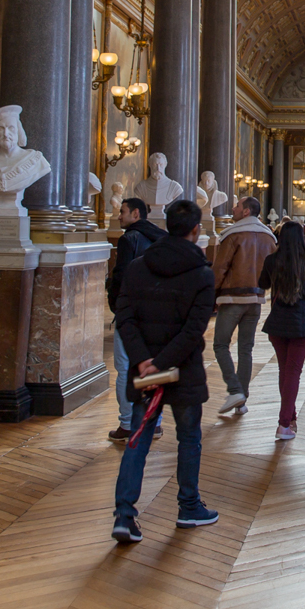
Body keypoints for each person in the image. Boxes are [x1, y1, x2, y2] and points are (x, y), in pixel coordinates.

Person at [111, 199, 219, 542]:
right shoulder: (202, 274)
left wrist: (144, 360)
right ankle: (189, 507)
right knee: (188, 438)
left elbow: (124, 317)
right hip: (182, 369)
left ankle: (124, 515)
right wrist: (162, 363)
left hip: (145, 372)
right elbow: (193, 331)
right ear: (196, 230)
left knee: (138, 439)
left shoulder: (137, 267)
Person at [208, 195, 276, 416]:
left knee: (220, 345)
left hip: (232, 298)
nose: (233, 208)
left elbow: (220, 269)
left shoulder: (233, 234)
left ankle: (235, 389)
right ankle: (241, 399)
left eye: (237, 206)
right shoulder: (269, 237)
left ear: (246, 211)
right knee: (246, 349)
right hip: (255, 299)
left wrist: (211, 297)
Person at [105, 196, 166, 443]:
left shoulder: (128, 239)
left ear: (136, 214)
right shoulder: (162, 238)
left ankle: (127, 423)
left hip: (130, 312)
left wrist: (116, 305)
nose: (119, 216)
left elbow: (121, 276)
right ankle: (155, 423)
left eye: (122, 212)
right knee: (153, 365)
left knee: (124, 367)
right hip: (157, 313)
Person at [259, 221, 305, 440]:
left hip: (277, 324)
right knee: (293, 372)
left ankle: (291, 417)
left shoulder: (272, 260)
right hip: (302, 325)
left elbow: (262, 283)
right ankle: (283, 424)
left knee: (285, 371)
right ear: (302, 238)